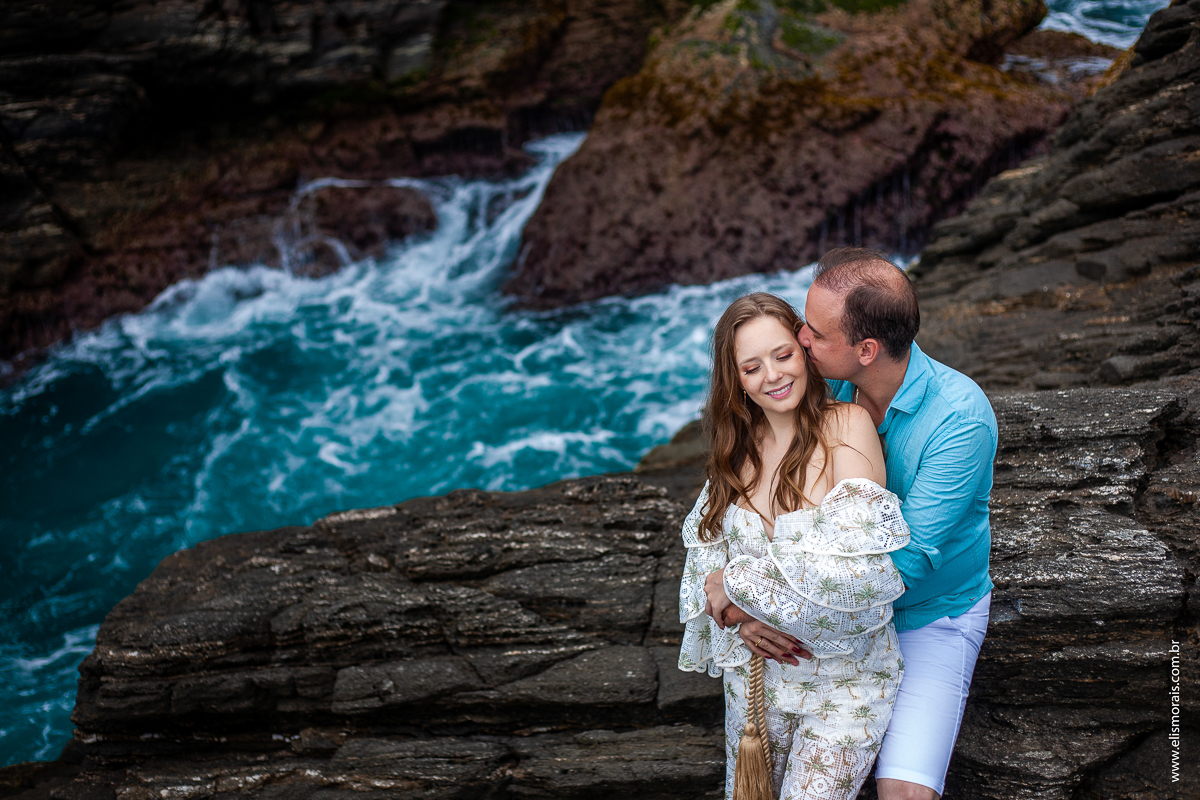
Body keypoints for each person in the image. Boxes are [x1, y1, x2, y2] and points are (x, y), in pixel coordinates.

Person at [678, 292, 912, 800]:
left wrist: (738, 585)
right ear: (735, 379)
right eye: (751, 366)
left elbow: (859, 576)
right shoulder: (735, 452)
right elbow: (704, 566)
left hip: (843, 684)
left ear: (805, 350)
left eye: (783, 355)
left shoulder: (847, 427)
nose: (773, 376)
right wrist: (744, 616)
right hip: (757, 684)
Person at [796, 247, 998, 800]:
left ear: (866, 349)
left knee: (903, 794)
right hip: (838, 613)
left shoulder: (959, 419)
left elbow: (905, 563)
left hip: (929, 618)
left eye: (813, 330)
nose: (801, 341)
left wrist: (763, 601)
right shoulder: (824, 383)